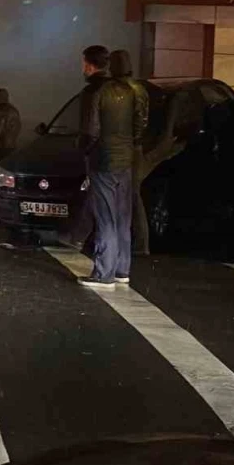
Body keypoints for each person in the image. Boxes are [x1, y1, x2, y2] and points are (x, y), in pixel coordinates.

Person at [77, 44, 148, 291]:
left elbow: (91, 130)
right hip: (126, 160)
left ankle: (103, 273)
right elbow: (140, 125)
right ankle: (121, 270)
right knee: (122, 216)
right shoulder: (133, 90)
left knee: (105, 216)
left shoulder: (100, 92)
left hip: (103, 160)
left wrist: (84, 150)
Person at [109, 49, 150, 257]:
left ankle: (140, 244)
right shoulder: (138, 89)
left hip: (128, 147)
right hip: (133, 146)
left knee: (130, 194)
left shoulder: (123, 90)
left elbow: (136, 123)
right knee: (131, 194)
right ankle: (137, 243)